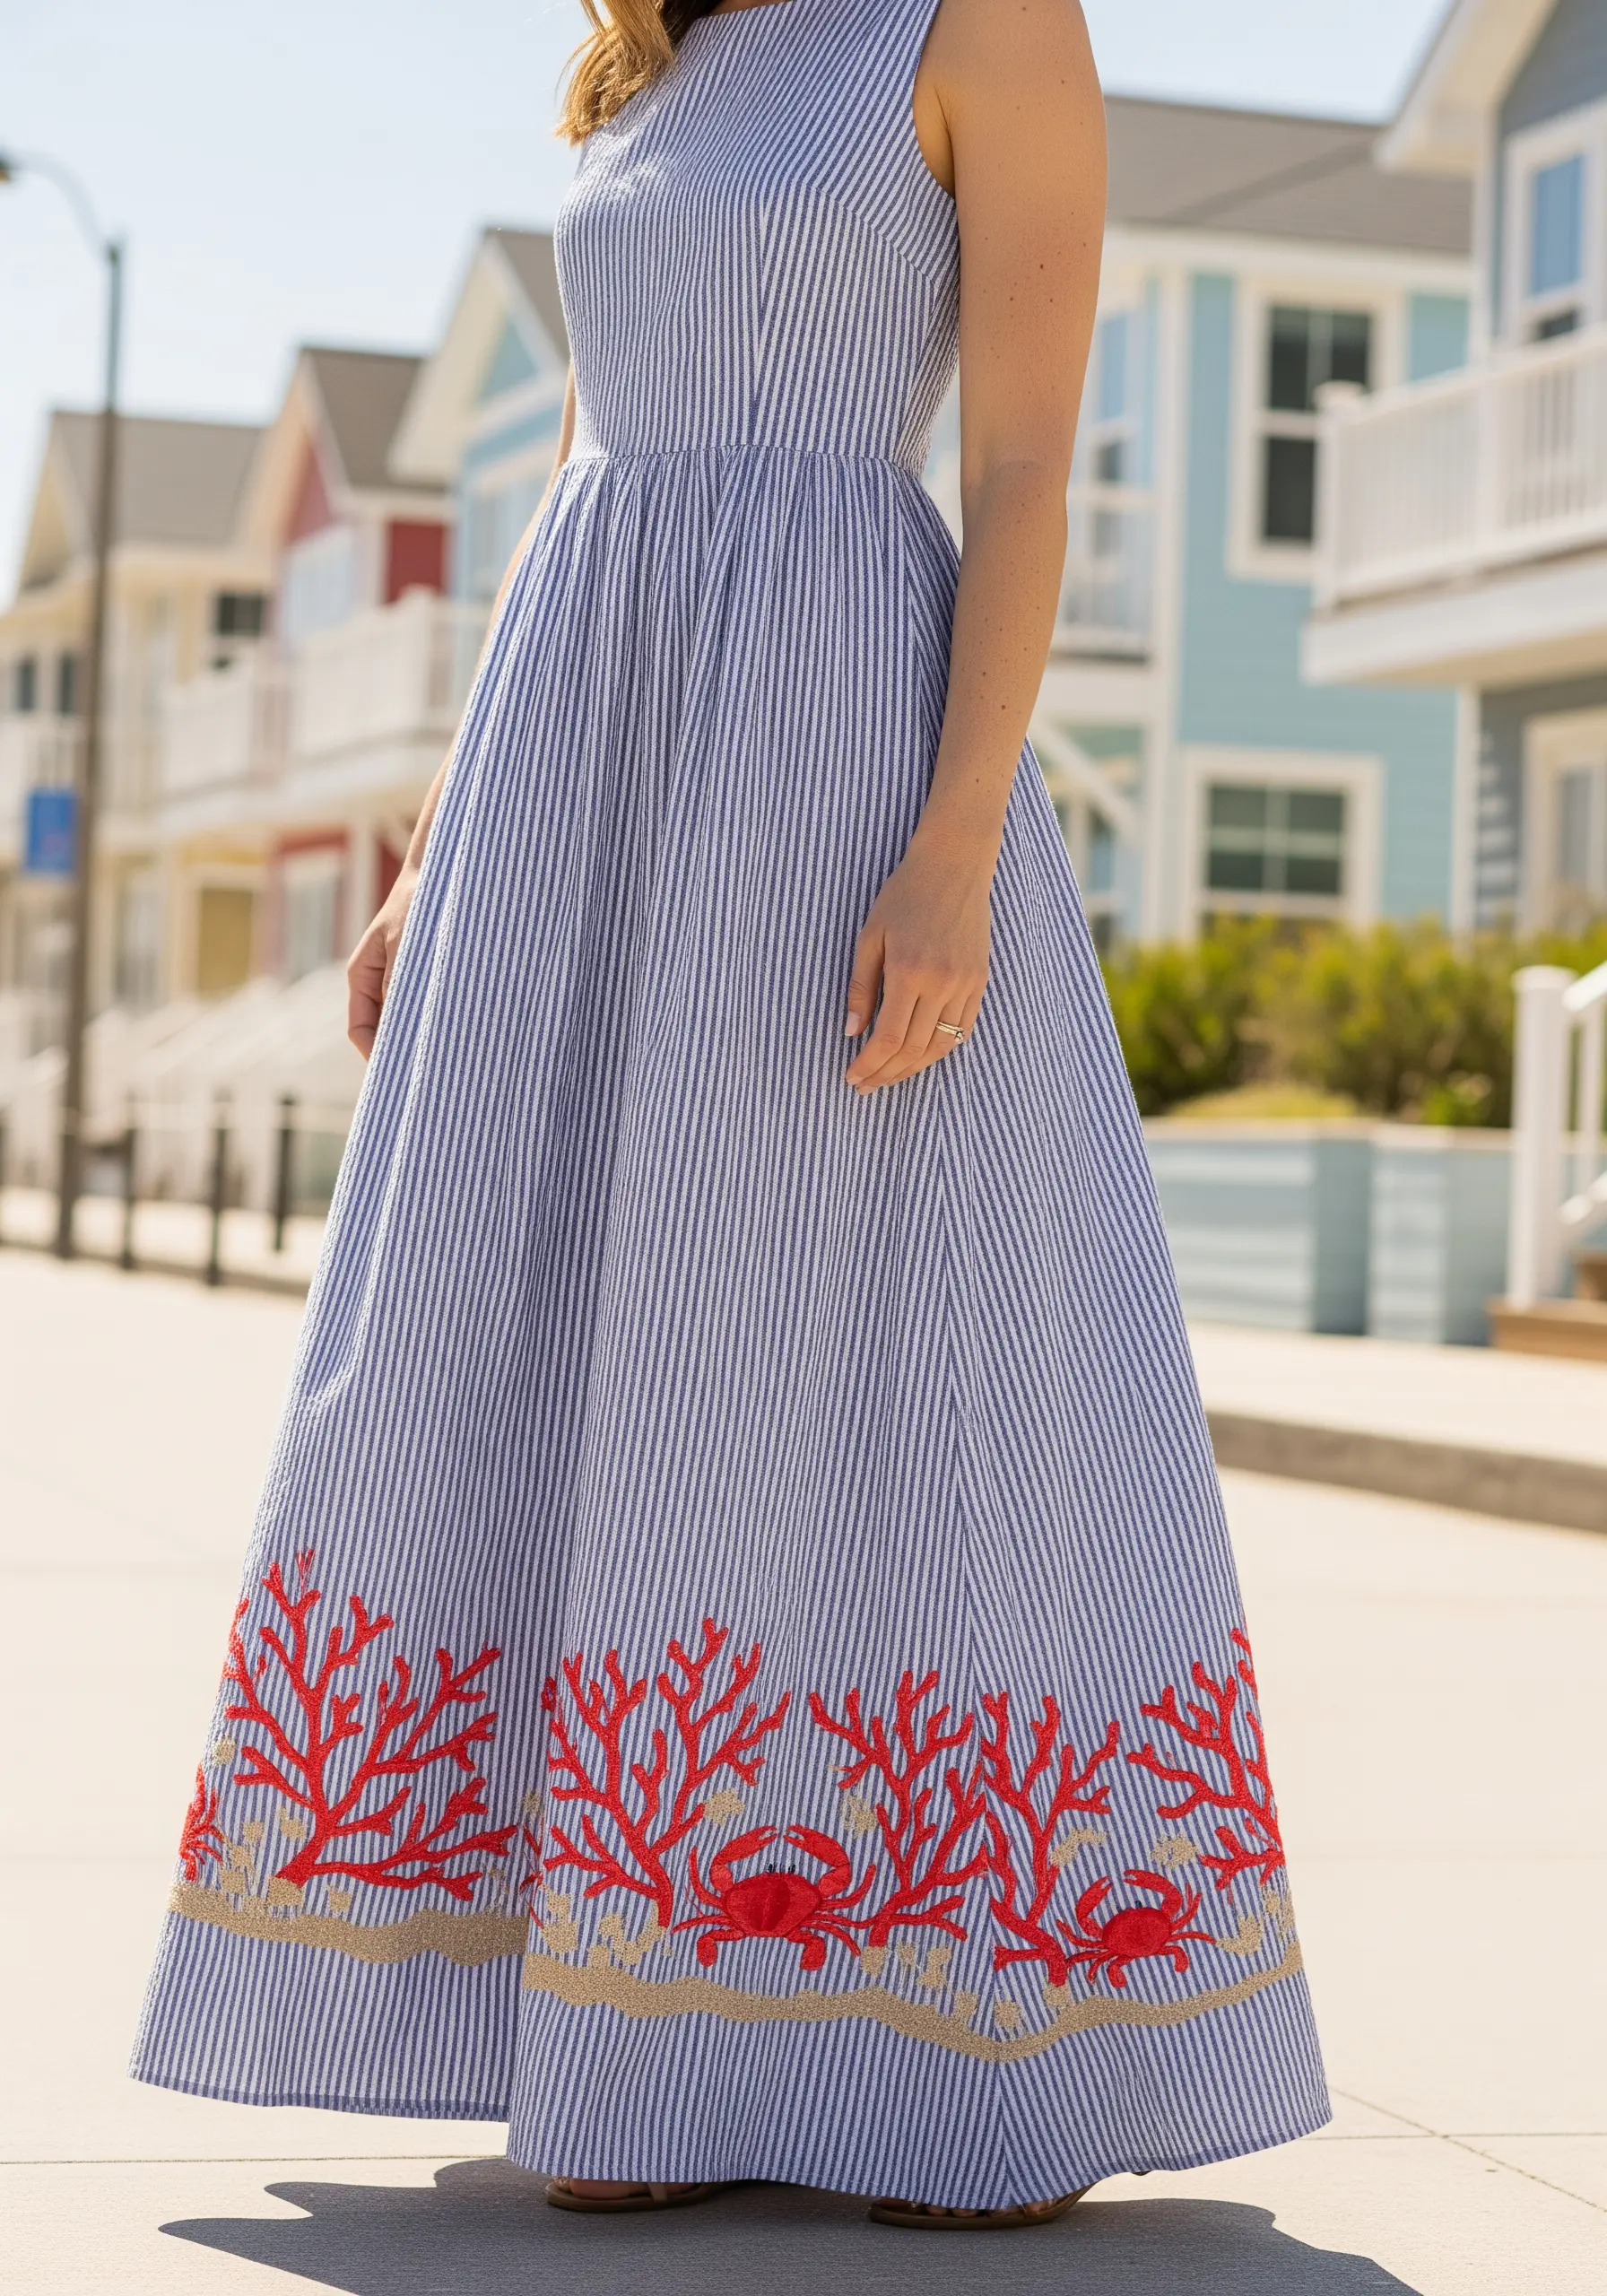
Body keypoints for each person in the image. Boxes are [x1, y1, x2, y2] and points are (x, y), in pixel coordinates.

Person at [134, 0, 1328, 2230]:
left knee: (878, 1356)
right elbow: (572, 477)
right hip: (590, 754)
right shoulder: (653, 64)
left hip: (825, 741)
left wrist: (956, 834)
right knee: (569, 1346)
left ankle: (971, 2045)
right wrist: (431, 843)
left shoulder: (980, 22)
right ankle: (634, 2021)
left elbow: (1019, 467)